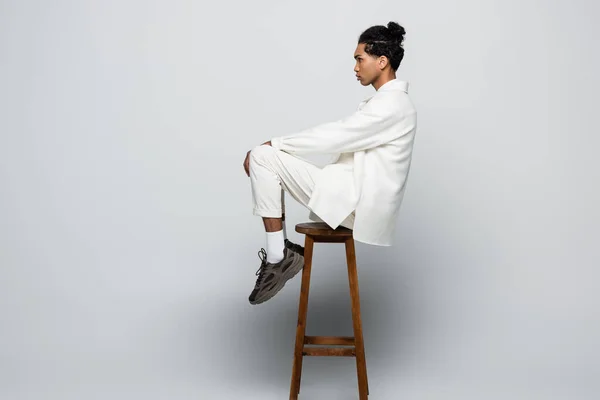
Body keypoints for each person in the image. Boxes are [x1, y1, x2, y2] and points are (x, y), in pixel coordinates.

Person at [243, 21, 417, 305]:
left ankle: (278, 256)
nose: (355, 67)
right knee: (268, 157)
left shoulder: (393, 105)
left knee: (262, 156)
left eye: (360, 59)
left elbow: (337, 136)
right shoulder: (389, 104)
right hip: (351, 198)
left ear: (382, 61)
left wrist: (276, 143)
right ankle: (280, 255)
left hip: (356, 205)